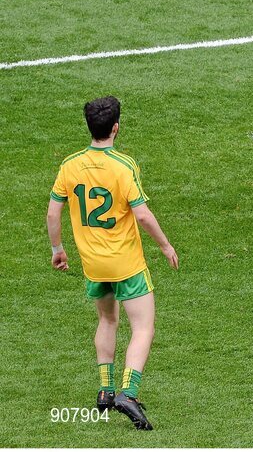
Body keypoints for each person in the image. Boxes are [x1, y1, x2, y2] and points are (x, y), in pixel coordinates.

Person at [46, 97, 179, 431]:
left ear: (89, 126)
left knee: (107, 321)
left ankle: (105, 391)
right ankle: (128, 394)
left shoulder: (69, 165)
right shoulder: (124, 165)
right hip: (127, 264)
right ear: (116, 127)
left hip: (94, 265)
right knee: (143, 327)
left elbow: (53, 211)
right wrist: (165, 246)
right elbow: (143, 214)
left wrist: (58, 249)